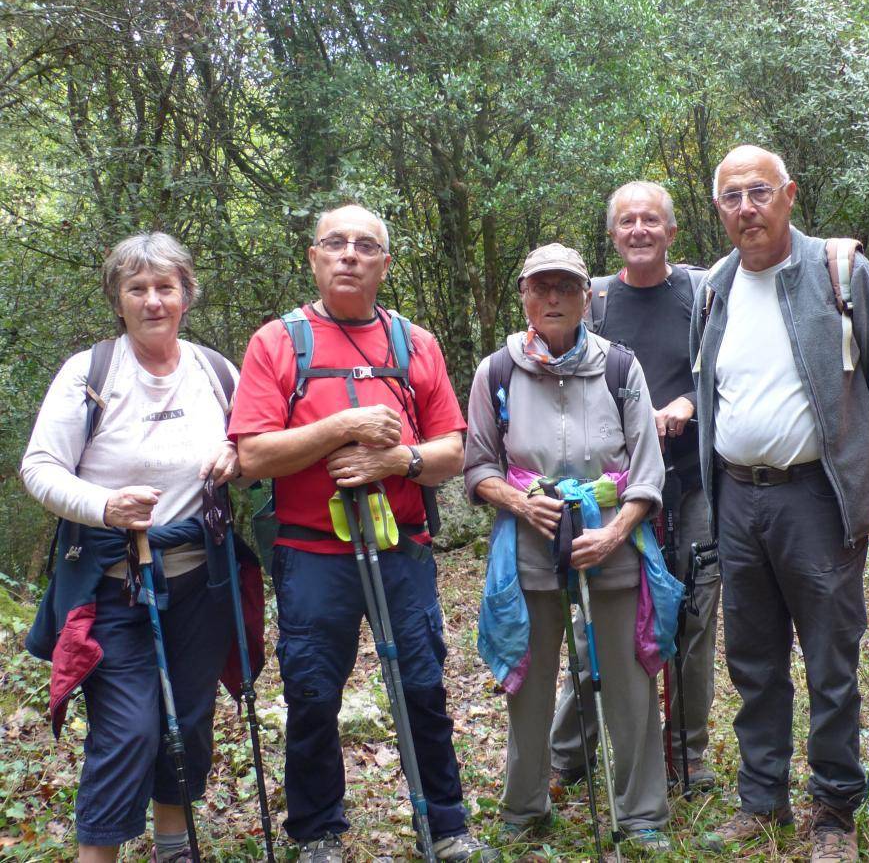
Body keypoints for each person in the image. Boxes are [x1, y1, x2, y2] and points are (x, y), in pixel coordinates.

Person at [229, 205, 495, 863]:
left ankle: (447, 825)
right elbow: (254, 457)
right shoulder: (277, 343)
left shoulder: (416, 344)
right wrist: (345, 430)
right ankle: (318, 832)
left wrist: (394, 459)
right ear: (314, 257)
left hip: (400, 546)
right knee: (313, 692)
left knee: (424, 684)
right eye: (336, 244)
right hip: (310, 552)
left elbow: (453, 452)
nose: (349, 255)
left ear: (385, 263)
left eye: (365, 245)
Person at [693, 145, 869, 862]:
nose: (746, 208)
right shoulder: (715, 286)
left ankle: (834, 811)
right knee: (752, 660)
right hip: (736, 498)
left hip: (816, 498)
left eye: (759, 192)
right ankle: (763, 798)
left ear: (789, 194)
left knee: (829, 659)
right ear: (717, 207)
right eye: (732, 197)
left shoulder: (838, 271)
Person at [22, 233, 245, 863]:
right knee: (127, 732)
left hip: (201, 580)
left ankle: (173, 845)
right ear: (117, 300)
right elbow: (39, 467)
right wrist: (105, 506)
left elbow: (248, 453)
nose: (153, 301)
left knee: (191, 721)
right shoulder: (89, 373)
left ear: (186, 295)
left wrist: (238, 458)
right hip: (116, 584)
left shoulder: (215, 371)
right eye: (137, 288)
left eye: (166, 287)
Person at [464, 243, 673, 852]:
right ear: (525, 296)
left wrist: (614, 531)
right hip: (528, 549)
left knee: (632, 687)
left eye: (566, 287)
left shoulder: (619, 367)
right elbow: (478, 466)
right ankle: (524, 806)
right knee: (529, 685)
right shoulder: (496, 371)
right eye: (540, 287)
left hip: (609, 544)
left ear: (587, 296)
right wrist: (520, 503)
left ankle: (640, 815)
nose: (553, 298)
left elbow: (646, 468)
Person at [547, 181, 720, 793]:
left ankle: (685, 750)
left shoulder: (701, 294)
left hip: (693, 485)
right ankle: (571, 749)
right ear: (614, 234)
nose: (639, 230)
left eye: (651, 220)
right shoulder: (592, 302)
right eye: (627, 222)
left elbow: (729, 373)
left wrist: (685, 404)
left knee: (693, 618)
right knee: (601, 617)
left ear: (671, 232)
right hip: (610, 492)